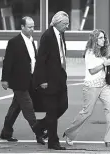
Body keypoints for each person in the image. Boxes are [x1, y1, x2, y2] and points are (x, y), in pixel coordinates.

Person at [63, 29, 110, 147]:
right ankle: (69, 133)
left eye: (104, 37)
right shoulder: (89, 52)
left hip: (103, 85)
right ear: (95, 39)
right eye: (100, 38)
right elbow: (92, 71)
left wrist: (106, 64)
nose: (103, 40)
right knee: (86, 112)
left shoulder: (102, 51)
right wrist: (104, 64)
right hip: (91, 86)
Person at [0, 16, 45, 145]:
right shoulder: (14, 42)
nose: (32, 29)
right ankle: (39, 133)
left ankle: (6, 132)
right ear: (22, 27)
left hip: (31, 79)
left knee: (15, 107)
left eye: (33, 27)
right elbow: (7, 62)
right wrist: (4, 79)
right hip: (18, 80)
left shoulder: (32, 41)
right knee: (28, 107)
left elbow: (34, 60)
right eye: (29, 27)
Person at [32, 11, 69, 150]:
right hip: (48, 79)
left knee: (63, 105)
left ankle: (39, 126)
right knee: (52, 112)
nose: (67, 26)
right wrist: (41, 80)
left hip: (60, 77)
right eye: (65, 24)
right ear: (58, 23)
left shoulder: (61, 34)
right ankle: (53, 142)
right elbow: (40, 60)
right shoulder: (47, 36)